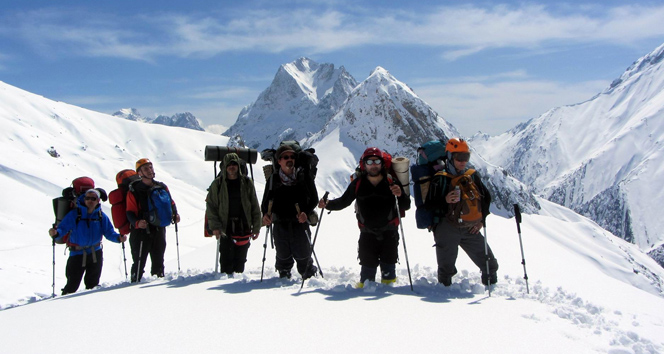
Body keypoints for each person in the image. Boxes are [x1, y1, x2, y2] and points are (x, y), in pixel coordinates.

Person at [318, 147, 410, 287]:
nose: (373, 165)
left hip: (389, 234)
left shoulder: (392, 182)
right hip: (367, 235)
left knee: (388, 277)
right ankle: (363, 306)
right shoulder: (358, 184)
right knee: (367, 277)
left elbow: (406, 204)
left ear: (382, 164)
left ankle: (390, 302)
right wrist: (328, 204)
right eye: (370, 161)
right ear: (364, 164)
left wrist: (400, 195)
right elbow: (344, 201)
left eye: (377, 161)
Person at [428, 138, 498, 286]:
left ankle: (492, 286)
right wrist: (445, 200)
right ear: (450, 157)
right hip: (447, 226)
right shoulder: (440, 178)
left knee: (489, 263)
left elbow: (485, 199)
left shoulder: (471, 176)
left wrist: (481, 221)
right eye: (459, 157)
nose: (463, 161)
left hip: (469, 225)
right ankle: (443, 291)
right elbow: (430, 204)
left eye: (466, 157)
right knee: (446, 269)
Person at [49, 189, 126, 295]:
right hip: (77, 254)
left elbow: (109, 232)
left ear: (98, 200)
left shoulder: (101, 216)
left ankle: (90, 308)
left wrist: (118, 238)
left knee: (93, 285)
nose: (90, 201)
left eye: (93, 198)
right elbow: (63, 228)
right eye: (87, 198)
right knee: (72, 285)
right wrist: (56, 233)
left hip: (95, 253)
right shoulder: (74, 214)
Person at [261, 144, 319, 280]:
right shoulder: (273, 179)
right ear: (279, 160)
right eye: (285, 157)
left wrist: (306, 211)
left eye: (292, 156)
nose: (289, 159)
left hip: (299, 223)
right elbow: (265, 202)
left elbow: (314, 198)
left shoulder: (303, 177)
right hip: (280, 223)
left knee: (304, 255)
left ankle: (308, 274)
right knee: (282, 255)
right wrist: (266, 214)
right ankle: (283, 275)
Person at [206, 153, 262, 276]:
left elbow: (254, 205)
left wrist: (256, 227)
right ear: (224, 166)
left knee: (240, 263)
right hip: (225, 228)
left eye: (234, 164)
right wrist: (215, 226)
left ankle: (236, 288)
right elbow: (211, 206)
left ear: (238, 166)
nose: (231, 167)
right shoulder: (218, 184)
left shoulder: (247, 183)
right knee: (226, 263)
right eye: (229, 164)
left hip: (243, 227)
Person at [126, 158, 180, 282]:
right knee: (139, 263)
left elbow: (170, 203)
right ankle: (134, 286)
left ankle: (156, 288)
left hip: (158, 228)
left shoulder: (161, 186)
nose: (149, 170)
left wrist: (175, 214)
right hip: (141, 231)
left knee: (158, 261)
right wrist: (137, 223)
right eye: (145, 168)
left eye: (150, 167)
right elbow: (129, 211)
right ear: (139, 173)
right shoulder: (134, 191)